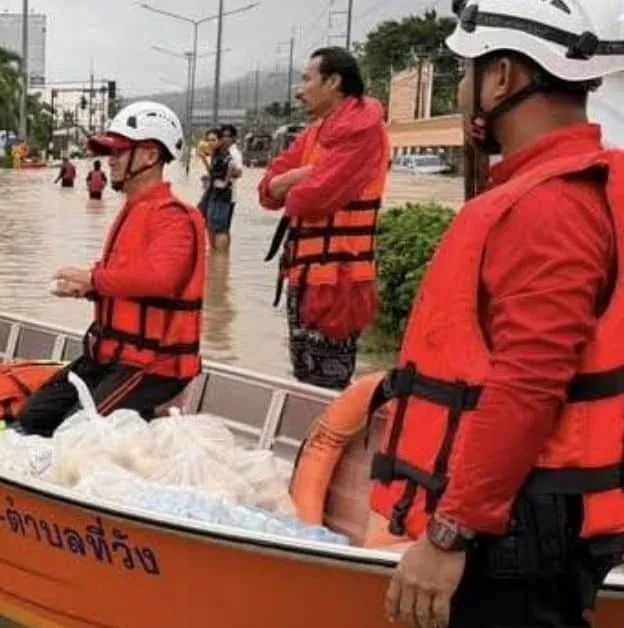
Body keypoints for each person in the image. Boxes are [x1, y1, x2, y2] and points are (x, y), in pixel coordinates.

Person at [369, 2, 624, 627]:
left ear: (504, 76)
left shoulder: (549, 208)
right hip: (524, 517)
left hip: (516, 530)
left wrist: (449, 533)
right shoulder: (558, 189)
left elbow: (529, 382)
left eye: (466, 72)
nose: (461, 91)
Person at [18, 101, 206, 437]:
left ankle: (140, 426)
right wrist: (87, 288)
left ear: (149, 156)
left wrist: (93, 279)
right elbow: (123, 279)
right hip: (110, 355)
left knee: (76, 433)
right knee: (33, 416)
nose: (111, 160)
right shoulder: (134, 210)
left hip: (152, 363)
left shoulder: (173, 217)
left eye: (119, 152)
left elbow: (161, 280)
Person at [258, 47, 388, 391]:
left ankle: (326, 445)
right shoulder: (315, 133)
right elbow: (267, 191)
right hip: (305, 275)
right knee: (304, 379)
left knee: (326, 388)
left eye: (306, 79)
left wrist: (290, 184)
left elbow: (312, 198)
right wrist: (292, 178)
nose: (299, 90)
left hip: (340, 281)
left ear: (333, 82)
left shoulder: (365, 131)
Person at [200, 124, 244, 251]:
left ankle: (221, 258)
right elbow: (214, 173)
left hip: (225, 196)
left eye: (227, 136)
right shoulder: (216, 153)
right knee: (211, 225)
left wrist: (225, 180)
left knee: (220, 228)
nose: (225, 139)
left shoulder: (231, 153)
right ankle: (217, 259)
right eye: (208, 140)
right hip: (214, 194)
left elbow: (238, 171)